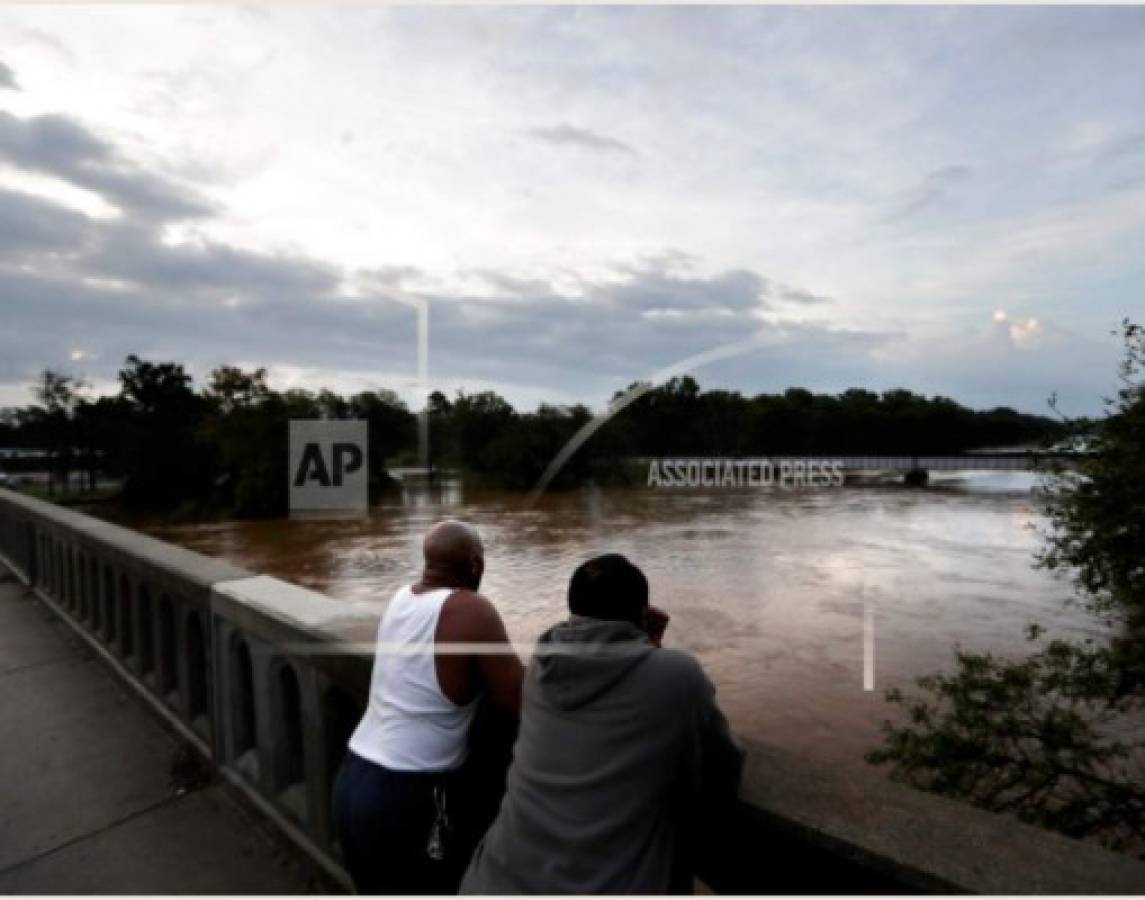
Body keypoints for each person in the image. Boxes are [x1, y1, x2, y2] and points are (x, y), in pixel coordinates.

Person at [461, 553, 744, 895]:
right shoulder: (680, 675)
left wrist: (642, 645)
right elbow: (723, 764)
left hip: (496, 879)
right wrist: (650, 645)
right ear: (642, 612)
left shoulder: (541, 664)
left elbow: (610, 679)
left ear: (572, 609)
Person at [333, 520, 523, 894]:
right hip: (407, 795)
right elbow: (517, 696)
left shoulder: (400, 597)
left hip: (353, 777)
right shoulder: (473, 609)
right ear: (475, 565)